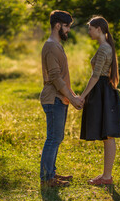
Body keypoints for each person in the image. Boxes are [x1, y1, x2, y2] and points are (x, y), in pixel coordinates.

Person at [40, 10, 83, 188]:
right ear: (58, 25)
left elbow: (62, 77)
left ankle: (51, 173)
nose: (68, 30)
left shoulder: (56, 45)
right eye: (66, 26)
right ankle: (46, 179)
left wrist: (72, 96)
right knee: (53, 138)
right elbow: (56, 78)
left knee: (56, 138)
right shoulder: (50, 46)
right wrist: (72, 100)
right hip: (53, 99)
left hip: (60, 98)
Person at [80, 16, 120, 185]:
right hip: (104, 91)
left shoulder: (104, 49)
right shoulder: (105, 47)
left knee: (108, 135)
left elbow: (95, 76)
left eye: (90, 28)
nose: (89, 31)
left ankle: (107, 177)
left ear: (99, 29)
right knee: (107, 136)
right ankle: (106, 175)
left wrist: (82, 97)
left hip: (102, 91)